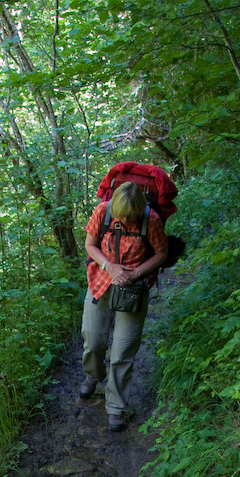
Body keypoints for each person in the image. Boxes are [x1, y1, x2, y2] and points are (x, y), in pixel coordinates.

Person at [81, 181, 168, 431]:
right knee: (93, 339)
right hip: (100, 283)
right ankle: (92, 376)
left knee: (123, 350)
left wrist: (137, 272)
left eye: (131, 217)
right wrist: (110, 267)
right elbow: (89, 244)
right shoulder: (103, 211)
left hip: (133, 289)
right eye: (122, 216)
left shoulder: (150, 221)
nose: (127, 220)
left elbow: (161, 252)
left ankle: (116, 407)